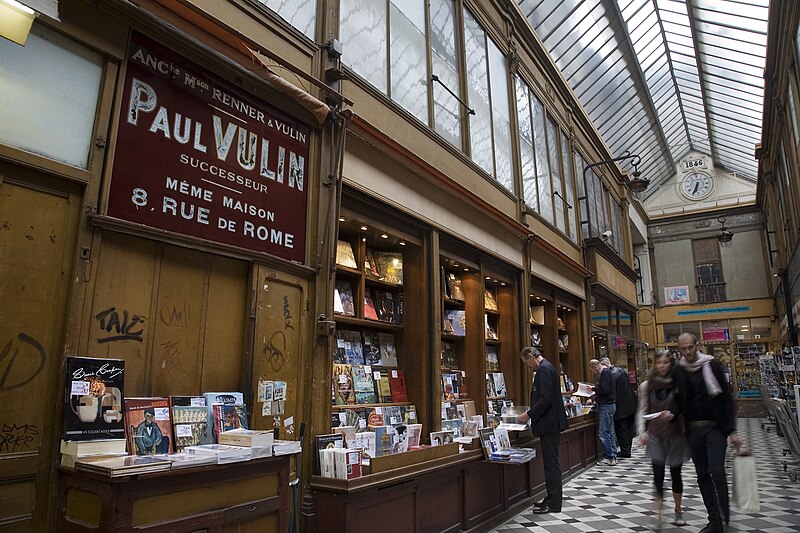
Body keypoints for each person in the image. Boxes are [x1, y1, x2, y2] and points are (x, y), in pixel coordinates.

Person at [662, 333, 741, 533]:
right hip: (694, 429)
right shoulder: (679, 370)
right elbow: (678, 399)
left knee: (716, 469)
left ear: (696, 345)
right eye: (683, 349)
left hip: (715, 427)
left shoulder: (712, 365)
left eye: (690, 347)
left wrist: (732, 431)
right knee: (702, 475)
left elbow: (725, 398)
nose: (688, 352)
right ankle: (714, 521)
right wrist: (671, 413)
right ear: (679, 349)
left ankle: (724, 510)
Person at [637, 350, 690, 530]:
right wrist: (641, 432)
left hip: (675, 434)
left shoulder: (677, 384)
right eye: (659, 362)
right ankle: (657, 515)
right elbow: (643, 409)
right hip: (655, 434)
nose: (662, 366)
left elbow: (683, 406)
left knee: (676, 473)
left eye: (666, 362)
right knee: (658, 474)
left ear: (671, 364)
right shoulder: (647, 385)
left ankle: (678, 510)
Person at [518, 347, 568, 514]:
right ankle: (551, 497)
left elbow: (545, 399)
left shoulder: (544, 370)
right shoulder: (547, 367)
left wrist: (528, 414)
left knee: (551, 464)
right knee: (550, 463)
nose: (528, 366)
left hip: (549, 424)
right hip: (550, 423)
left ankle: (554, 503)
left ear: (531, 356)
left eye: (527, 362)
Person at [604, 357, 637, 458]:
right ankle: (627, 449)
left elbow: (610, 391)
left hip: (621, 406)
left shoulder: (612, 374)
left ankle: (625, 451)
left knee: (621, 429)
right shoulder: (621, 371)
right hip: (631, 403)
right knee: (629, 429)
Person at [590, 358, 616, 465]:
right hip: (611, 405)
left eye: (592, 370)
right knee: (610, 432)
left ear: (595, 367)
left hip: (606, 406)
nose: (593, 373)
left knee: (604, 432)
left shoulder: (604, 373)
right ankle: (613, 455)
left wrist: (593, 390)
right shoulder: (608, 372)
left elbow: (604, 390)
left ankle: (609, 457)